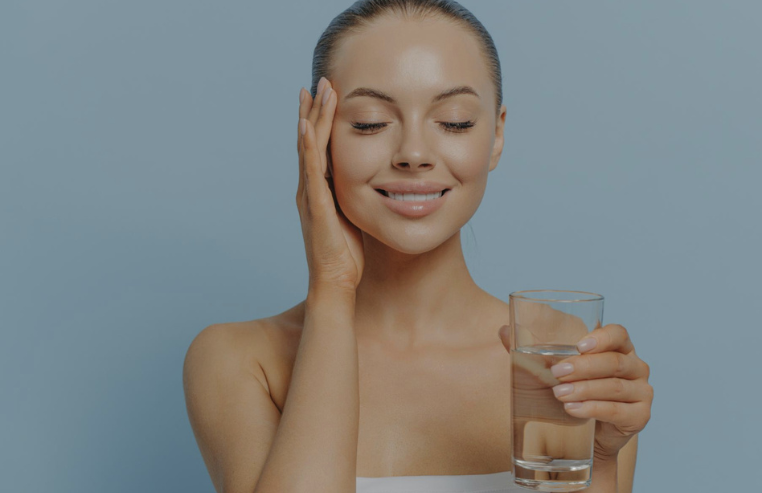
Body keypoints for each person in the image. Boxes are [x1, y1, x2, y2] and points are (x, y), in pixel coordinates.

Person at [182, 1, 654, 492]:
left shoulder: (559, 357)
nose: (413, 154)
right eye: (368, 122)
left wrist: (600, 462)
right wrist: (332, 286)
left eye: (453, 122)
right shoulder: (240, 360)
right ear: (317, 140)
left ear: (497, 134)